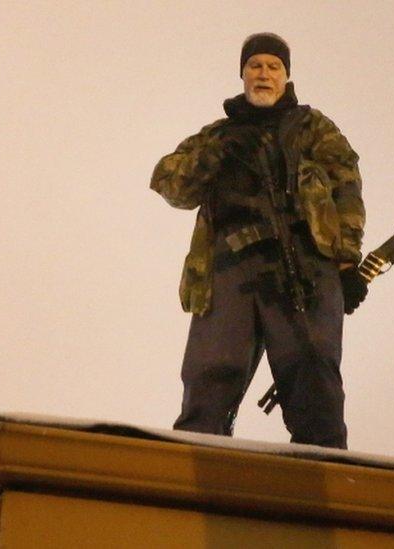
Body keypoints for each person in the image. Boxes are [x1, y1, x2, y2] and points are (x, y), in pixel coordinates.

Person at [150, 33, 367, 449]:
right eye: (255, 66)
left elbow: (346, 191)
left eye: (273, 66)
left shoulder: (312, 128)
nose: (263, 74)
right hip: (231, 268)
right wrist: (218, 152)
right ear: (242, 74)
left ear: (286, 76)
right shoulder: (217, 135)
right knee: (213, 368)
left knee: (311, 370)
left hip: (303, 263)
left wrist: (345, 263)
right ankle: (197, 461)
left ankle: (327, 473)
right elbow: (170, 183)